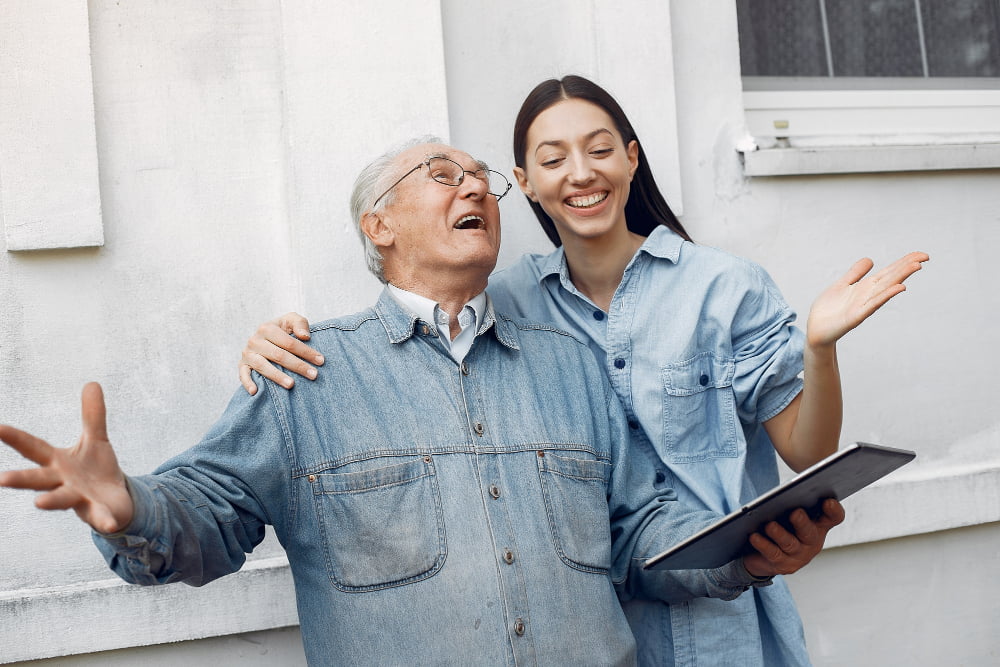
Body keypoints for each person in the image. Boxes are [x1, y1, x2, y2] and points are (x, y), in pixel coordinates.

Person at [0, 138, 845, 666]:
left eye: (483, 179)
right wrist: (128, 508)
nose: (474, 188)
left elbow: (640, 534)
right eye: (443, 175)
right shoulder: (307, 373)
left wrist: (748, 551)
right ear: (380, 225)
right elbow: (209, 519)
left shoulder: (572, 367)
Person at [238, 77, 928, 666]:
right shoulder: (502, 300)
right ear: (526, 184)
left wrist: (819, 346)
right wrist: (274, 345)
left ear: (631, 160)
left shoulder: (726, 287)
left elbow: (807, 450)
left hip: (723, 620)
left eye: (601, 150)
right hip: (590, 630)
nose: (581, 172)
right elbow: (414, 330)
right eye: (553, 158)